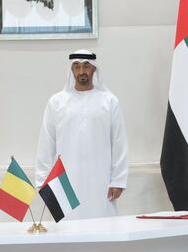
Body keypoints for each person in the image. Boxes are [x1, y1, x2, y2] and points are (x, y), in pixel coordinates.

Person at [36, 50, 128, 219]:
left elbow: (119, 142)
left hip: (101, 180)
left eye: (86, 66)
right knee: (67, 229)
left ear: (94, 69)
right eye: (76, 67)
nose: (81, 71)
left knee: (103, 226)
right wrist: (43, 181)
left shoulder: (109, 102)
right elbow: (46, 142)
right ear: (71, 71)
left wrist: (118, 180)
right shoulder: (57, 102)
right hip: (66, 182)